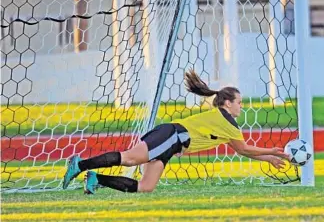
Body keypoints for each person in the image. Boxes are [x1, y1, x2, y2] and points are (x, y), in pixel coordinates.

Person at [63, 69, 289, 194]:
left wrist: (268, 158)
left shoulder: (225, 123)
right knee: (130, 159)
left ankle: (96, 179)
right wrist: (274, 152)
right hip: (170, 136)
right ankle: (79, 165)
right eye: (239, 102)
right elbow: (244, 147)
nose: (242, 106)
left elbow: (240, 150)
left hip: (171, 146)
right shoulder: (225, 119)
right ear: (228, 103)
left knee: (146, 187)